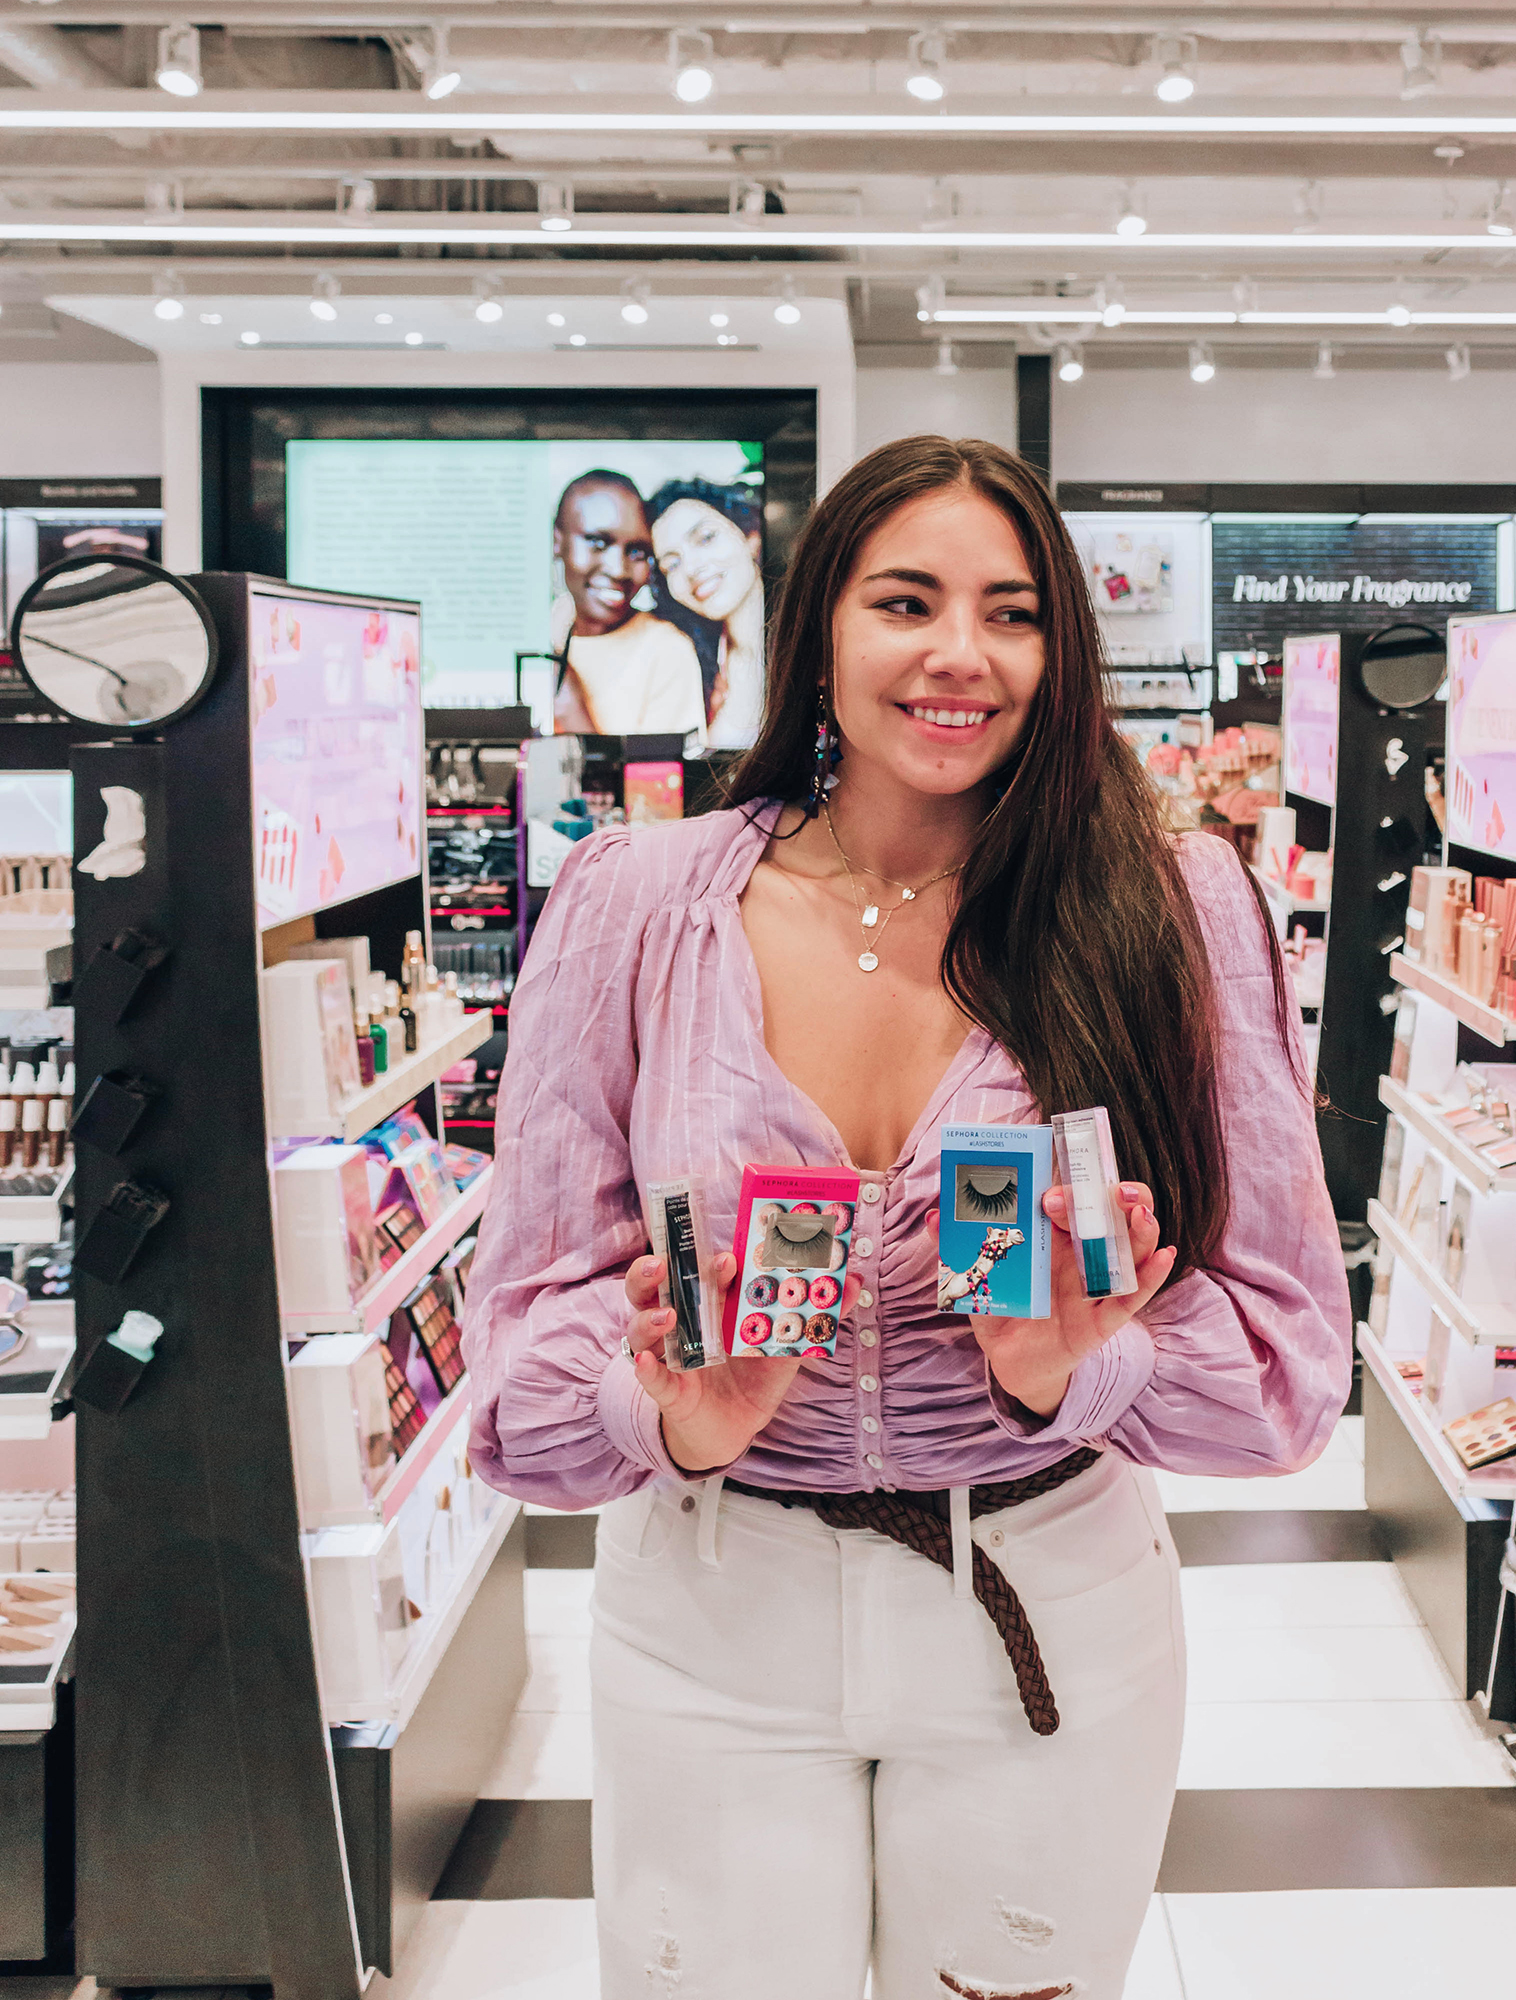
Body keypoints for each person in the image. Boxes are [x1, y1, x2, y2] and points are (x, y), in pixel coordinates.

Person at [465, 435, 1348, 2000]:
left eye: (1012, 612)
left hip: (1047, 1603)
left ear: (1061, 649)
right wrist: (664, 1406)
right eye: (907, 601)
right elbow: (528, 1342)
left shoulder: (1169, 902)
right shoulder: (638, 902)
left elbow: (1286, 1361)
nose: (961, 656)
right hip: (713, 1603)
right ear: (819, 632)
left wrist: (1080, 1368)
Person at [550, 470, 707, 744]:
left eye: (637, 552)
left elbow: (657, 783)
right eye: (598, 543)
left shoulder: (666, 650)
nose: (618, 569)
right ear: (557, 541)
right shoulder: (549, 624)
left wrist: (571, 706)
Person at [649, 476, 766, 747]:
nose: (691, 568)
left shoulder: (811, 644)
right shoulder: (701, 665)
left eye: (705, 538)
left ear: (750, 535)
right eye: (672, 564)